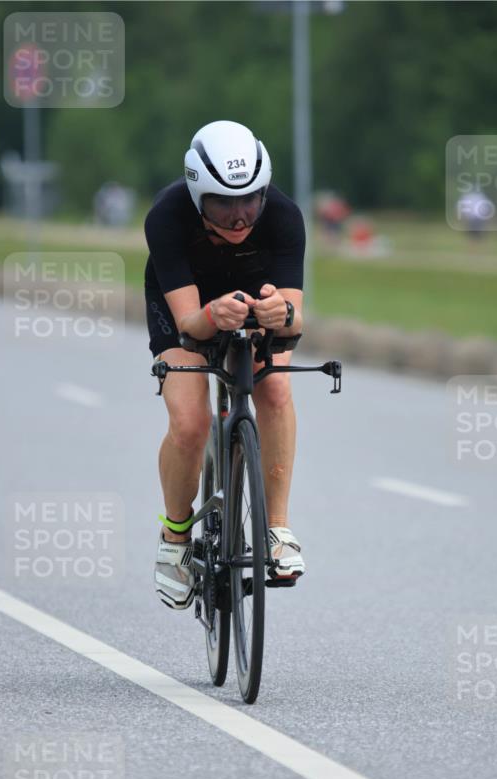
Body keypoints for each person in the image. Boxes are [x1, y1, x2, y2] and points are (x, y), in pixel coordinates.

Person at [144, 120, 306, 610]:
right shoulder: (167, 216)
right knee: (190, 422)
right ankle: (175, 537)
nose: (239, 219)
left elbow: (295, 322)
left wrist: (282, 313)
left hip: (252, 295)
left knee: (274, 388)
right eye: (222, 205)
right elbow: (190, 327)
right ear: (198, 197)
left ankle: (277, 529)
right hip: (188, 305)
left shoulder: (284, 216)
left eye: (250, 202)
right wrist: (213, 315)